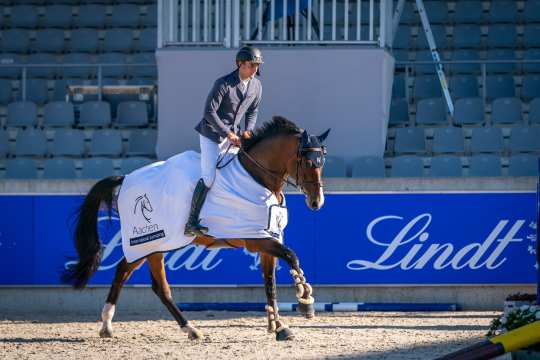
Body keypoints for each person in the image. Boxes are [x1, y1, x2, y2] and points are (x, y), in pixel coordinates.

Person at [184, 46, 264, 237]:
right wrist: (228, 133)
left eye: (256, 65)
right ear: (239, 64)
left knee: (239, 174)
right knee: (209, 177)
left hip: (234, 136)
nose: (255, 69)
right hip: (212, 134)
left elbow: (253, 110)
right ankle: (191, 222)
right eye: (251, 65)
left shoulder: (256, 86)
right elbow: (209, 113)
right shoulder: (224, 83)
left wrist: (248, 130)